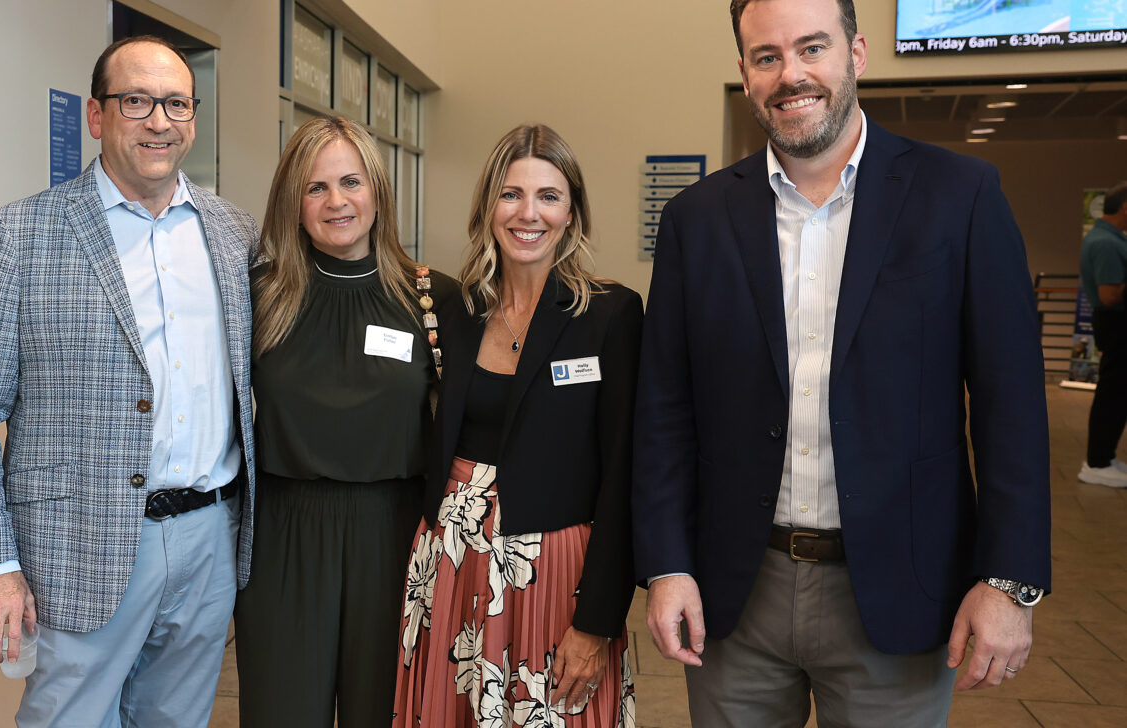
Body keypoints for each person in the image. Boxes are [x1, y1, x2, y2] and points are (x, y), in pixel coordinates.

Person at [632, 1, 1052, 725]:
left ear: (856, 53)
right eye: (767, 57)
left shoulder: (961, 197)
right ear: (745, 72)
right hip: (736, 593)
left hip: (900, 588)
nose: (791, 74)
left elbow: (1010, 402)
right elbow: (665, 408)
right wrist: (667, 566)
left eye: (812, 48)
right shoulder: (696, 220)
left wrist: (1009, 581)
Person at [0, 36, 258, 725]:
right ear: (96, 116)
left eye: (176, 103)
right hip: (77, 546)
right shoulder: (21, 234)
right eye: (136, 100)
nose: (159, 121)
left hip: (209, 540)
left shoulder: (233, 235)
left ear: (193, 118)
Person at [393, 124, 642, 727]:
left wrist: (598, 619)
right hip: (451, 562)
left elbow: (626, 476)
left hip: (554, 572)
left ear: (572, 212)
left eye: (548, 196)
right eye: (511, 194)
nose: (528, 213)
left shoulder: (610, 314)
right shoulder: (456, 311)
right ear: (488, 206)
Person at [234, 115, 459, 728]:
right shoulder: (259, 296)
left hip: (396, 536)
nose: (337, 201)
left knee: (384, 714)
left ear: (378, 191)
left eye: (351, 182)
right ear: (294, 201)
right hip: (282, 537)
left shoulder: (434, 300)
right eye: (316, 188)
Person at [1078, 182, 1127, 487]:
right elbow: (1109, 295)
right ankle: (1097, 461)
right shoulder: (1106, 243)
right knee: (1113, 395)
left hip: (1115, 323)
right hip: (1116, 322)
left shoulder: (1110, 239)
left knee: (1117, 394)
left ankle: (1104, 457)